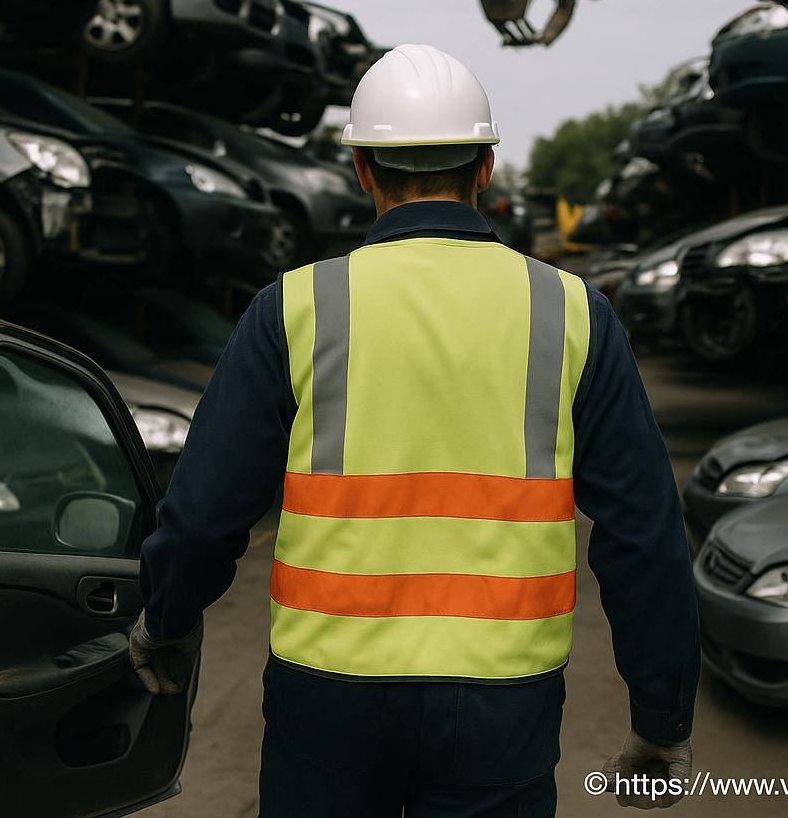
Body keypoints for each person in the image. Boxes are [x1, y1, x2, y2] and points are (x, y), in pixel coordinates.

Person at [129, 44, 698, 815]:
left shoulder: (294, 309)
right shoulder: (570, 313)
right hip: (503, 701)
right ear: (488, 166)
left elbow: (202, 518)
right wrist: (659, 717)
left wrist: (165, 620)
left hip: (325, 696)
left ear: (362, 168)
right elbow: (644, 532)